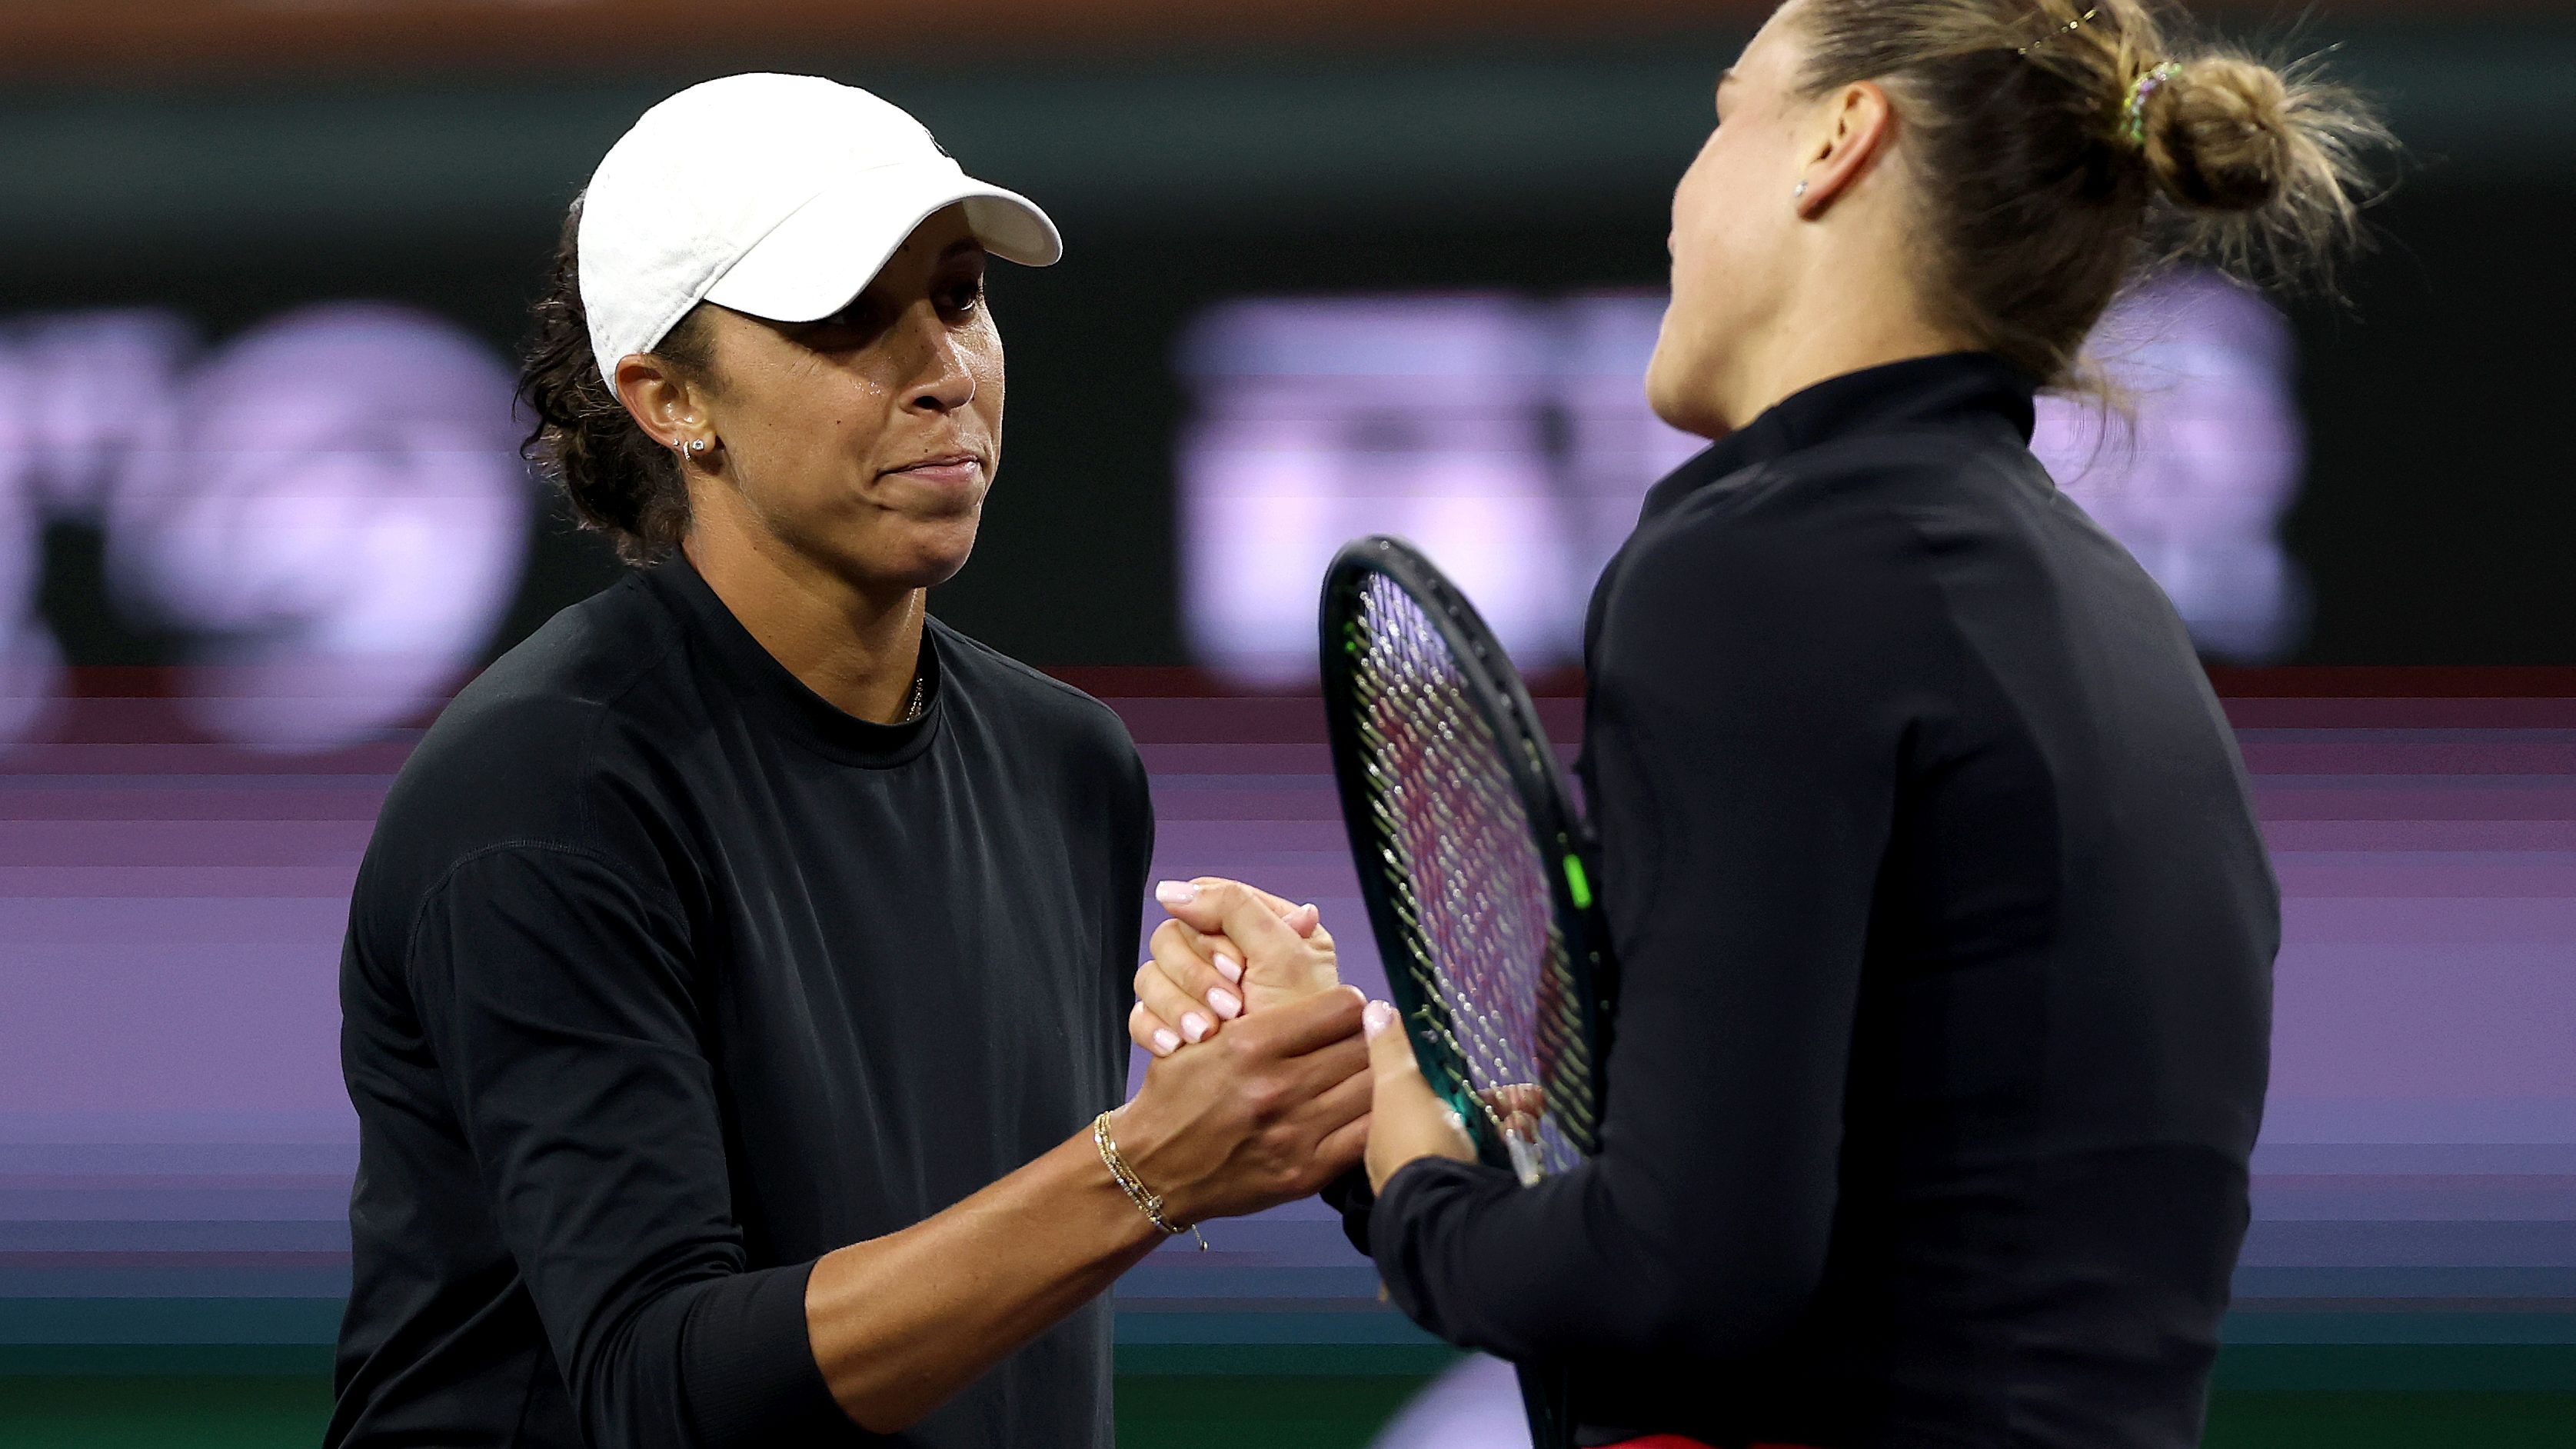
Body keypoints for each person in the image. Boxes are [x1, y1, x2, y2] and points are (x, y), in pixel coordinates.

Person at [1133, 2, 2386, 1444]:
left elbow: (1680, 1279)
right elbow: (1872, 1233)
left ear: (1839, 141)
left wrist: (1422, 1198)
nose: (1682, 193)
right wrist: (1382, 1141)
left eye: (1725, 111)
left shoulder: (1762, 568)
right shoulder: (2091, 607)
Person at [328, 74, 1370, 1449]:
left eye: (957, 297)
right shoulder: (546, 792)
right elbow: (659, 1384)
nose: (941, 370)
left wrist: (1314, 1086)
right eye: (844, 321)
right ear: (668, 399)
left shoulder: (1068, 764)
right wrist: (1148, 1167)